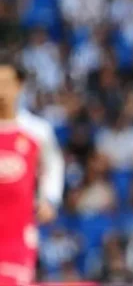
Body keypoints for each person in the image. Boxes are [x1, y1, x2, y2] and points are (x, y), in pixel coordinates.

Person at [0, 52, 64, 284]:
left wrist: (50, 199)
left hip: (18, 231)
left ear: (19, 86)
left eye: (6, 83)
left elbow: (54, 165)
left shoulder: (37, 130)